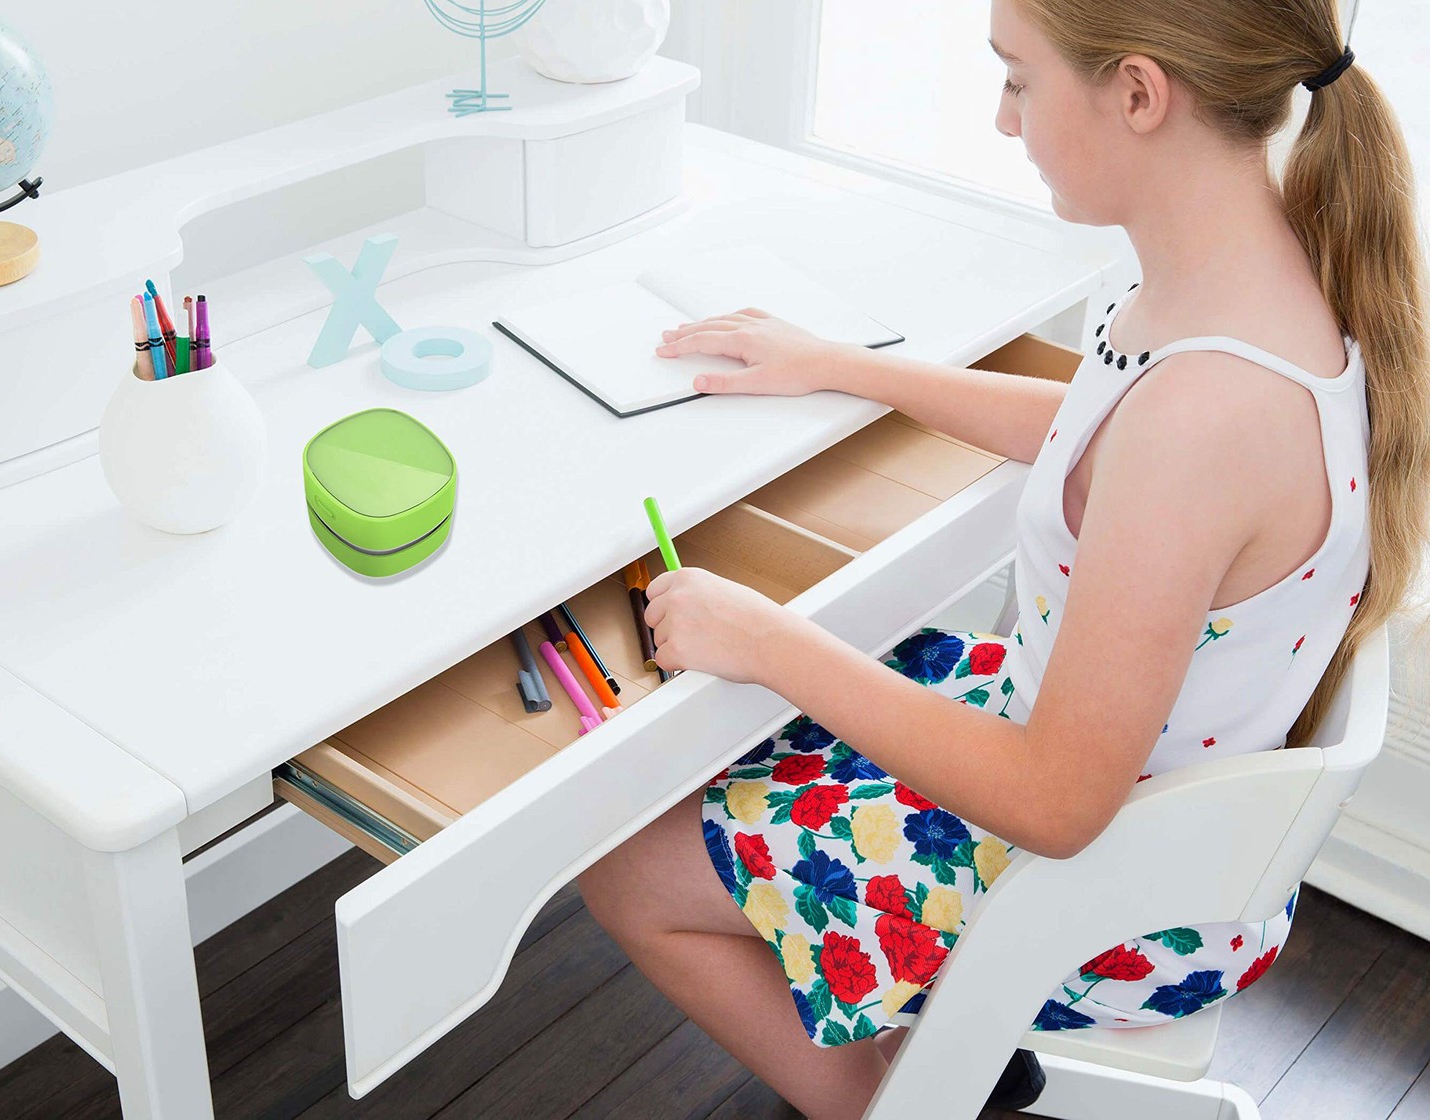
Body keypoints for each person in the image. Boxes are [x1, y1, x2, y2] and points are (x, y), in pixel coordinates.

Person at [574, 1, 1430, 1117]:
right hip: (1144, 816)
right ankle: (927, 1045)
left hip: (1100, 898)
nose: (1002, 118)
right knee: (754, 734)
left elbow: (1054, 804)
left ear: (1138, 93)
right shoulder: (1263, 278)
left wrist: (766, 638)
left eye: (1019, 80)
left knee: (626, 868)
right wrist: (848, 365)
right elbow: (1097, 432)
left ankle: (907, 1101)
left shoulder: (1208, 415)